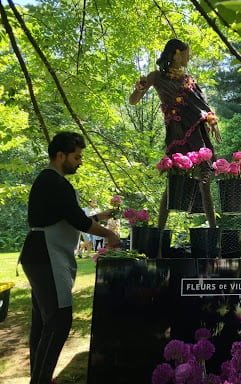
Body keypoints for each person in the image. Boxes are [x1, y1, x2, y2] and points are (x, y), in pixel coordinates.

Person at [19, 132, 120, 384]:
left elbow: (70, 217)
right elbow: (77, 221)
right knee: (59, 321)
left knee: (43, 322)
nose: (80, 162)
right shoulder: (54, 182)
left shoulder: (52, 182)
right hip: (45, 256)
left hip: (39, 255)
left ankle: (39, 377)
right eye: (76, 157)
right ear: (60, 155)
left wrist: (102, 217)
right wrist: (108, 233)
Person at [129, 38, 220, 229]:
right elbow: (133, 101)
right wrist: (138, 88)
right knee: (172, 180)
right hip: (177, 134)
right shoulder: (156, 76)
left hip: (196, 134)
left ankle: (213, 233)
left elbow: (202, 105)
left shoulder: (189, 80)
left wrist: (212, 122)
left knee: (204, 180)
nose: (189, 57)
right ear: (177, 53)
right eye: (187, 53)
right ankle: (159, 235)